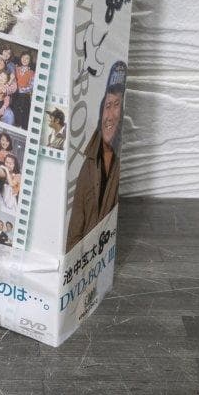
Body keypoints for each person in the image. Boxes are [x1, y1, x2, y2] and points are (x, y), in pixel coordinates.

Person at [66, 61, 127, 252]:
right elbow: (75, 231)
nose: (110, 115)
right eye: (107, 106)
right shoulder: (88, 165)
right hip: (87, 261)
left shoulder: (123, 161)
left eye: (117, 105)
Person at [13, 52, 35, 129]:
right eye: (23, 57)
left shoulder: (32, 73)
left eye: (27, 58)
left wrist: (21, 90)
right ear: (20, 58)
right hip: (14, 93)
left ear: (30, 61)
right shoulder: (16, 69)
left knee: (23, 100)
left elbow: (31, 86)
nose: (24, 60)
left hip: (24, 94)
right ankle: (16, 123)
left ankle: (22, 125)